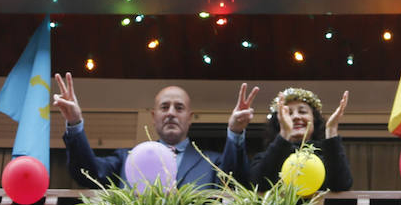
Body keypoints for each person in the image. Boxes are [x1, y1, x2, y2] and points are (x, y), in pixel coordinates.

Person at [54, 73, 258, 188]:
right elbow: (87, 174)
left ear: (190, 118)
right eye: (164, 107)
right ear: (153, 117)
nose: (171, 113)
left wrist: (236, 132)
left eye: (179, 108)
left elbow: (236, 182)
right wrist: (74, 123)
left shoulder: (212, 163)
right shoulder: (127, 159)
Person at [249, 87, 354, 193]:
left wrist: (331, 131)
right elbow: (259, 184)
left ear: (314, 120)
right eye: (288, 113)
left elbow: (342, 185)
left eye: (302, 111)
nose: (296, 117)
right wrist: (285, 134)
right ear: (278, 122)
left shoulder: (328, 157)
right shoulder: (265, 158)